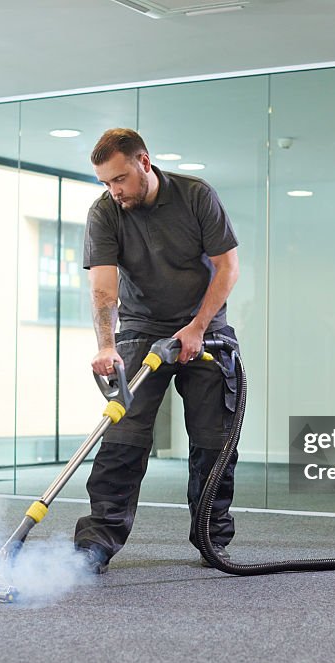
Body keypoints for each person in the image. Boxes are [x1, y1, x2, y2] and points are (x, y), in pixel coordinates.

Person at [74, 128, 241, 574]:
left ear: (144, 162)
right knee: (122, 439)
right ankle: (97, 543)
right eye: (105, 182)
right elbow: (103, 287)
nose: (115, 190)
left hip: (205, 331)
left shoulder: (196, 196)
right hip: (142, 328)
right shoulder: (105, 211)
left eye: (120, 178)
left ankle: (211, 537)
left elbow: (228, 268)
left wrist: (197, 327)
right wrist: (106, 346)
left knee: (213, 442)